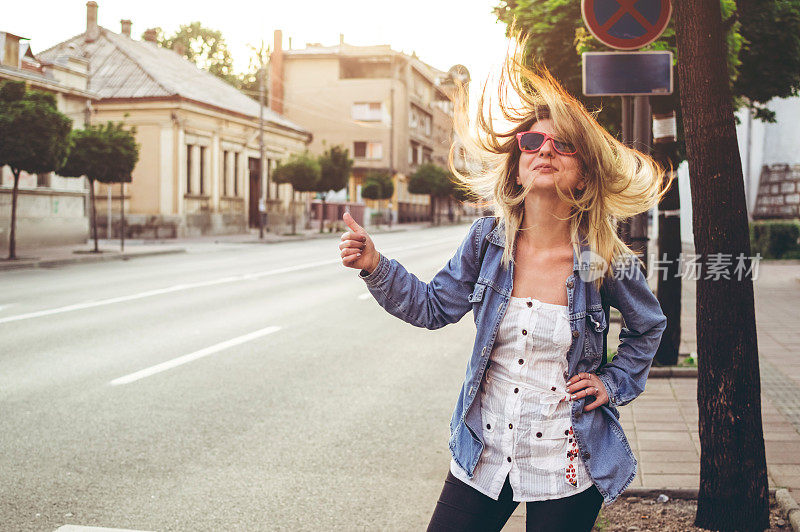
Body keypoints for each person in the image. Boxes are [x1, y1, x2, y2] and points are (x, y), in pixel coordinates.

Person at [337, 36, 670, 532]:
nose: (545, 151)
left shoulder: (603, 258)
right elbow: (433, 307)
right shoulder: (488, 240)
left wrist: (613, 382)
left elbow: (648, 327)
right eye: (532, 142)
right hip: (484, 452)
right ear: (517, 163)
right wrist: (375, 264)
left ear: (583, 174)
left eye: (564, 145)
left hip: (566, 457)